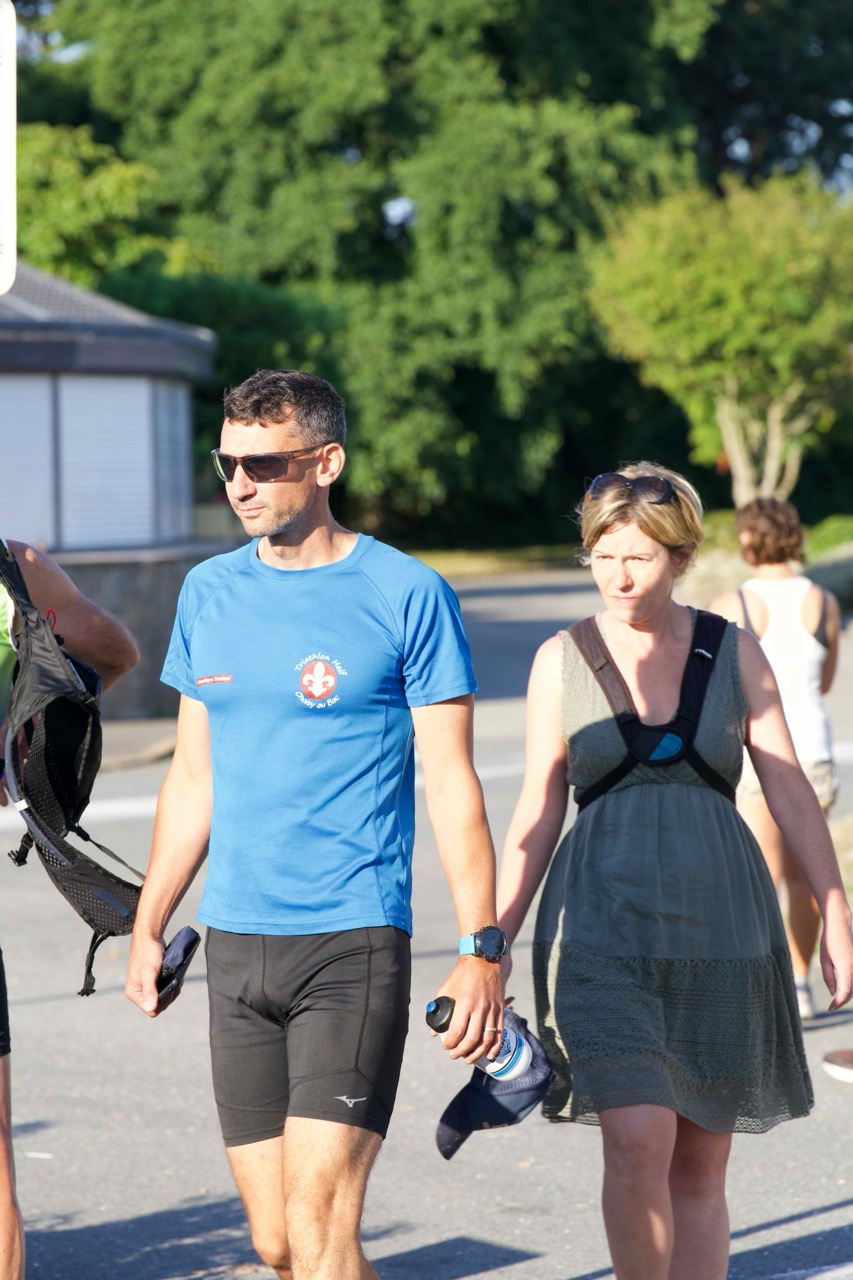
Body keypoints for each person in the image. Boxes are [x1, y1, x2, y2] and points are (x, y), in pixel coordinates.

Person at [125, 369, 504, 1280]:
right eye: (227, 463)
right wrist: (147, 921)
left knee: (320, 1222)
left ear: (325, 463)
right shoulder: (207, 592)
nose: (239, 484)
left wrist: (480, 946)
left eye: (264, 464)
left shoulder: (406, 591)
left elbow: (451, 783)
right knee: (278, 1243)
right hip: (235, 944)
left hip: (351, 941)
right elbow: (192, 777)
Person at [495, 463, 853, 1280]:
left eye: (639, 558)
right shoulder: (560, 658)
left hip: (722, 929)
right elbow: (535, 811)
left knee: (698, 1166)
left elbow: (787, 786)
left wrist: (833, 909)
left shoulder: (734, 650)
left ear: (682, 557)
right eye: (602, 556)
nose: (617, 577)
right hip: (598, 930)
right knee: (635, 1140)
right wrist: (490, 944)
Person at [0, 540, 139, 1280]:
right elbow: (109, 656)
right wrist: (22, 736)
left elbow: (114, 655)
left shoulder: (15, 568)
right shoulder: (14, 567)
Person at [710, 497, 841, 1019]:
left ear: (748, 539)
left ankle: (767, 988)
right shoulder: (824, 601)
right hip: (814, 748)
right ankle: (802, 982)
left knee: (758, 876)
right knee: (806, 876)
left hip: (759, 753)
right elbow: (825, 681)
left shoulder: (732, 603)